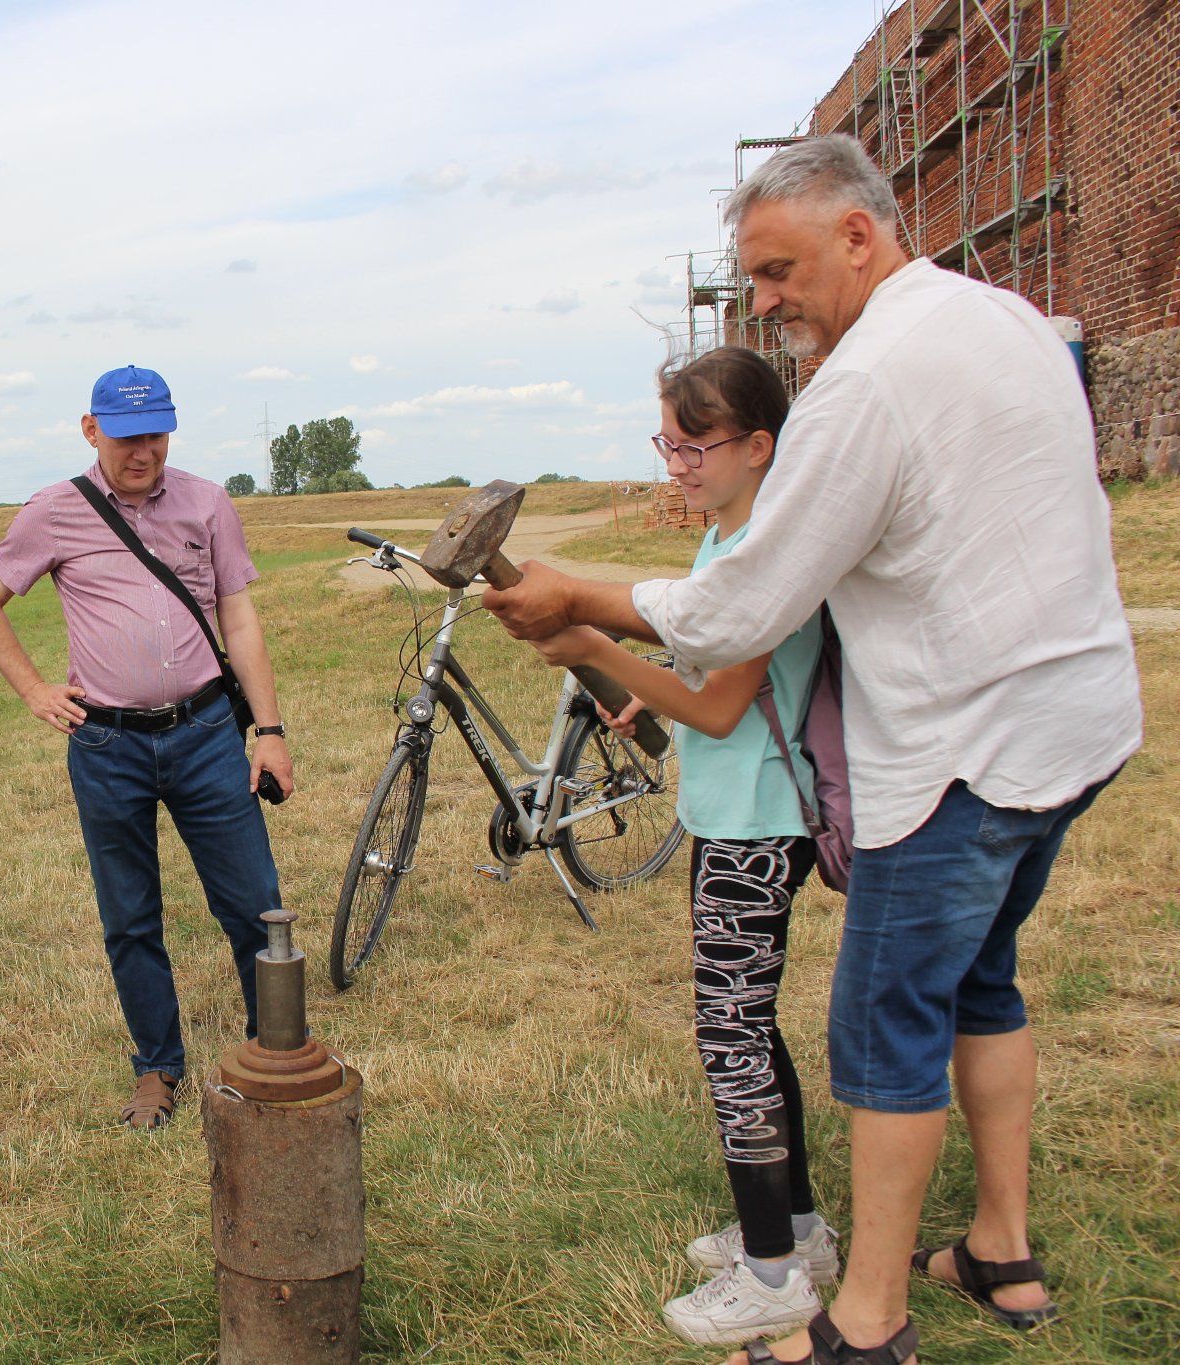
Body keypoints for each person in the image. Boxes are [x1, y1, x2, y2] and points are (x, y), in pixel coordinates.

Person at [482, 136, 1140, 1365]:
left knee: (883, 1032)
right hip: (1074, 723)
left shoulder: (861, 383)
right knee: (979, 987)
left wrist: (574, 596)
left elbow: (738, 616)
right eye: (754, 278)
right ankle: (998, 1246)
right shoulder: (1003, 320)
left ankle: (860, 1321)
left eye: (778, 271)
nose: (765, 302)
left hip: (961, 756)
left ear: (857, 234)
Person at [525, 348, 838, 1348]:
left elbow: (713, 709)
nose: (675, 463)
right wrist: (637, 675)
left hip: (755, 822)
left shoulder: (764, 554)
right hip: (731, 813)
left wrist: (595, 647)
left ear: (757, 445)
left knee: (729, 1038)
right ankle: (795, 1226)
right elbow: (701, 666)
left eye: (693, 444)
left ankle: (773, 1277)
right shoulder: (724, 538)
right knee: (750, 1025)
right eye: (665, 441)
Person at [0, 365, 297, 1130]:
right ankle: (156, 1067)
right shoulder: (54, 512)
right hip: (107, 745)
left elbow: (240, 621)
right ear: (91, 429)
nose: (143, 450)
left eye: (155, 434)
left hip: (209, 733)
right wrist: (34, 690)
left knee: (253, 901)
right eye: (126, 435)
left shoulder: (208, 502)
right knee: (130, 917)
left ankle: (274, 1048)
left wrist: (269, 732)